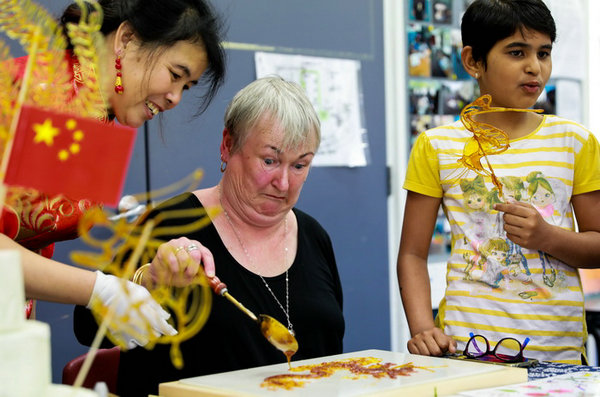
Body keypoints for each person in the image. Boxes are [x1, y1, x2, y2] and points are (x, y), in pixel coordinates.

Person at [73, 76, 345, 397]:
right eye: (270, 161)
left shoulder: (314, 236)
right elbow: (88, 325)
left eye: (300, 165)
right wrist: (150, 280)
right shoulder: (170, 224)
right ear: (228, 146)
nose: (284, 183)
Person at [2, 0, 226, 347]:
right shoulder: (32, 90)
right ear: (126, 40)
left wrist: (145, 278)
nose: (175, 98)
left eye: (186, 87)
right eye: (175, 75)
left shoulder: (101, 120)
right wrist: (98, 289)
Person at [397, 0, 600, 365]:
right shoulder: (437, 145)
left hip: (558, 355)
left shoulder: (575, 142)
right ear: (473, 61)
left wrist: (547, 237)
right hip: (467, 352)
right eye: (516, 52)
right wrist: (422, 327)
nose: (534, 67)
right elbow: (412, 254)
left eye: (544, 53)